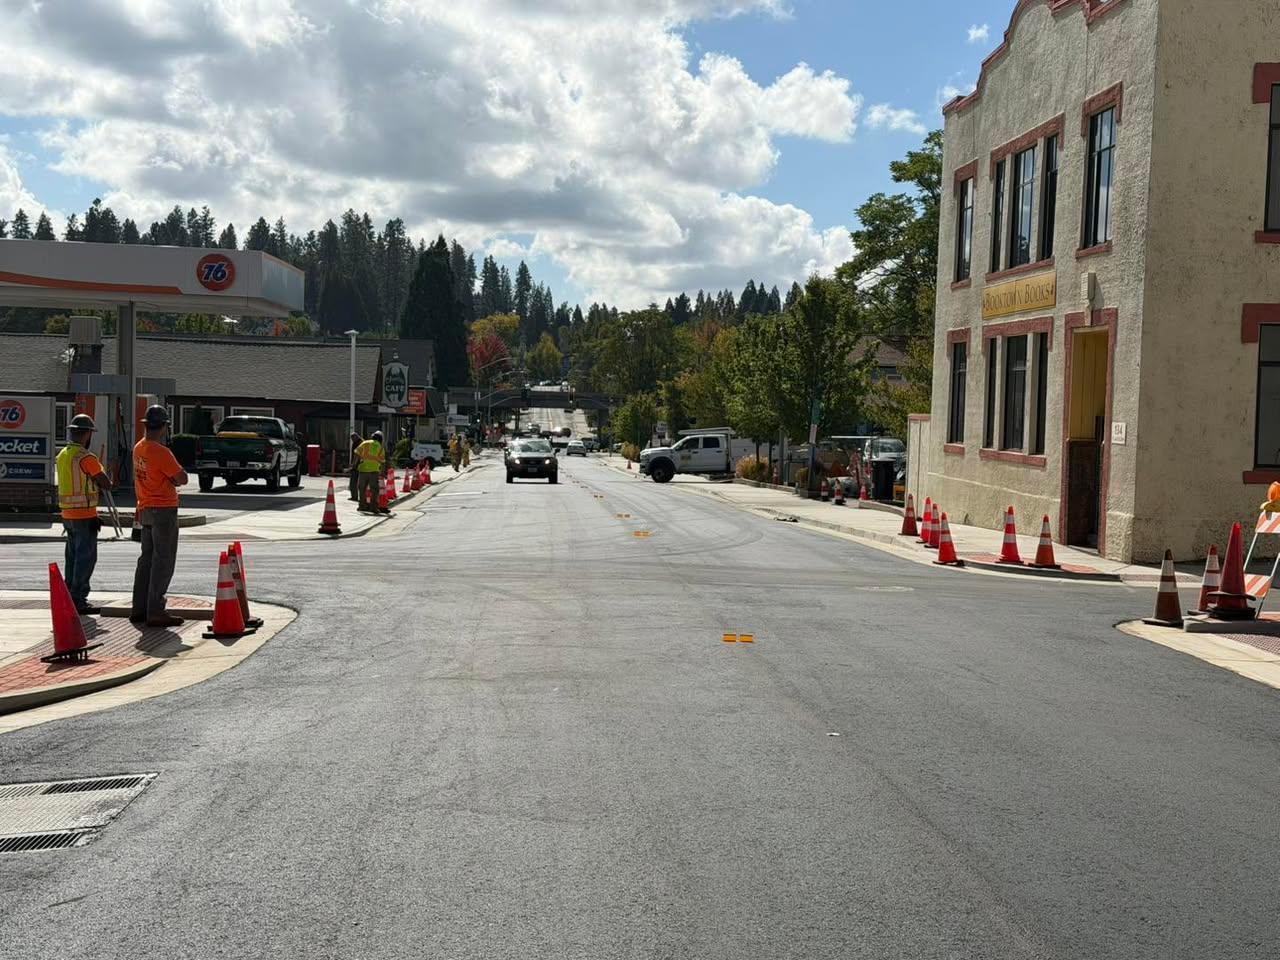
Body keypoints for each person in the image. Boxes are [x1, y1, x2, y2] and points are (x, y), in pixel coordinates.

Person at [131, 405, 188, 628]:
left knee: (147, 559)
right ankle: (155, 609)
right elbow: (181, 478)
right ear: (163, 427)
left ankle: (139, 608)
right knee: (163, 561)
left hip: (145, 508)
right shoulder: (161, 452)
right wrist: (172, 479)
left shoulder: (138, 448)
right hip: (163, 509)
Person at [56, 414, 114, 615]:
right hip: (84, 514)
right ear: (88, 434)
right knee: (85, 558)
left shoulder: (63, 454)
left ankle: (70, 595)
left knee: (72, 557)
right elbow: (105, 482)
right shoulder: (86, 457)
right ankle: (78, 598)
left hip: (67, 514)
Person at [354, 430, 385, 513]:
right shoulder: (380, 447)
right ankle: (373, 507)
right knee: (374, 489)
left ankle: (362, 506)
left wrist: (354, 464)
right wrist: (382, 472)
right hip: (374, 471)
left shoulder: (365, 443)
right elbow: (382, 461)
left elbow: (357, 453)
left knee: (362, 489)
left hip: (363, 469)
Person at [348, 430, 363, 502]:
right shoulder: (361, 442)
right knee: (358, 482)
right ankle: (356, 496)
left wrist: (353, 465)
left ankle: (354, 496)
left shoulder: (359, 443)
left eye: (352, 438)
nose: (352, 440)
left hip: (357, 465)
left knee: (353, 482)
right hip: (361, 465)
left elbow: (357, 456)